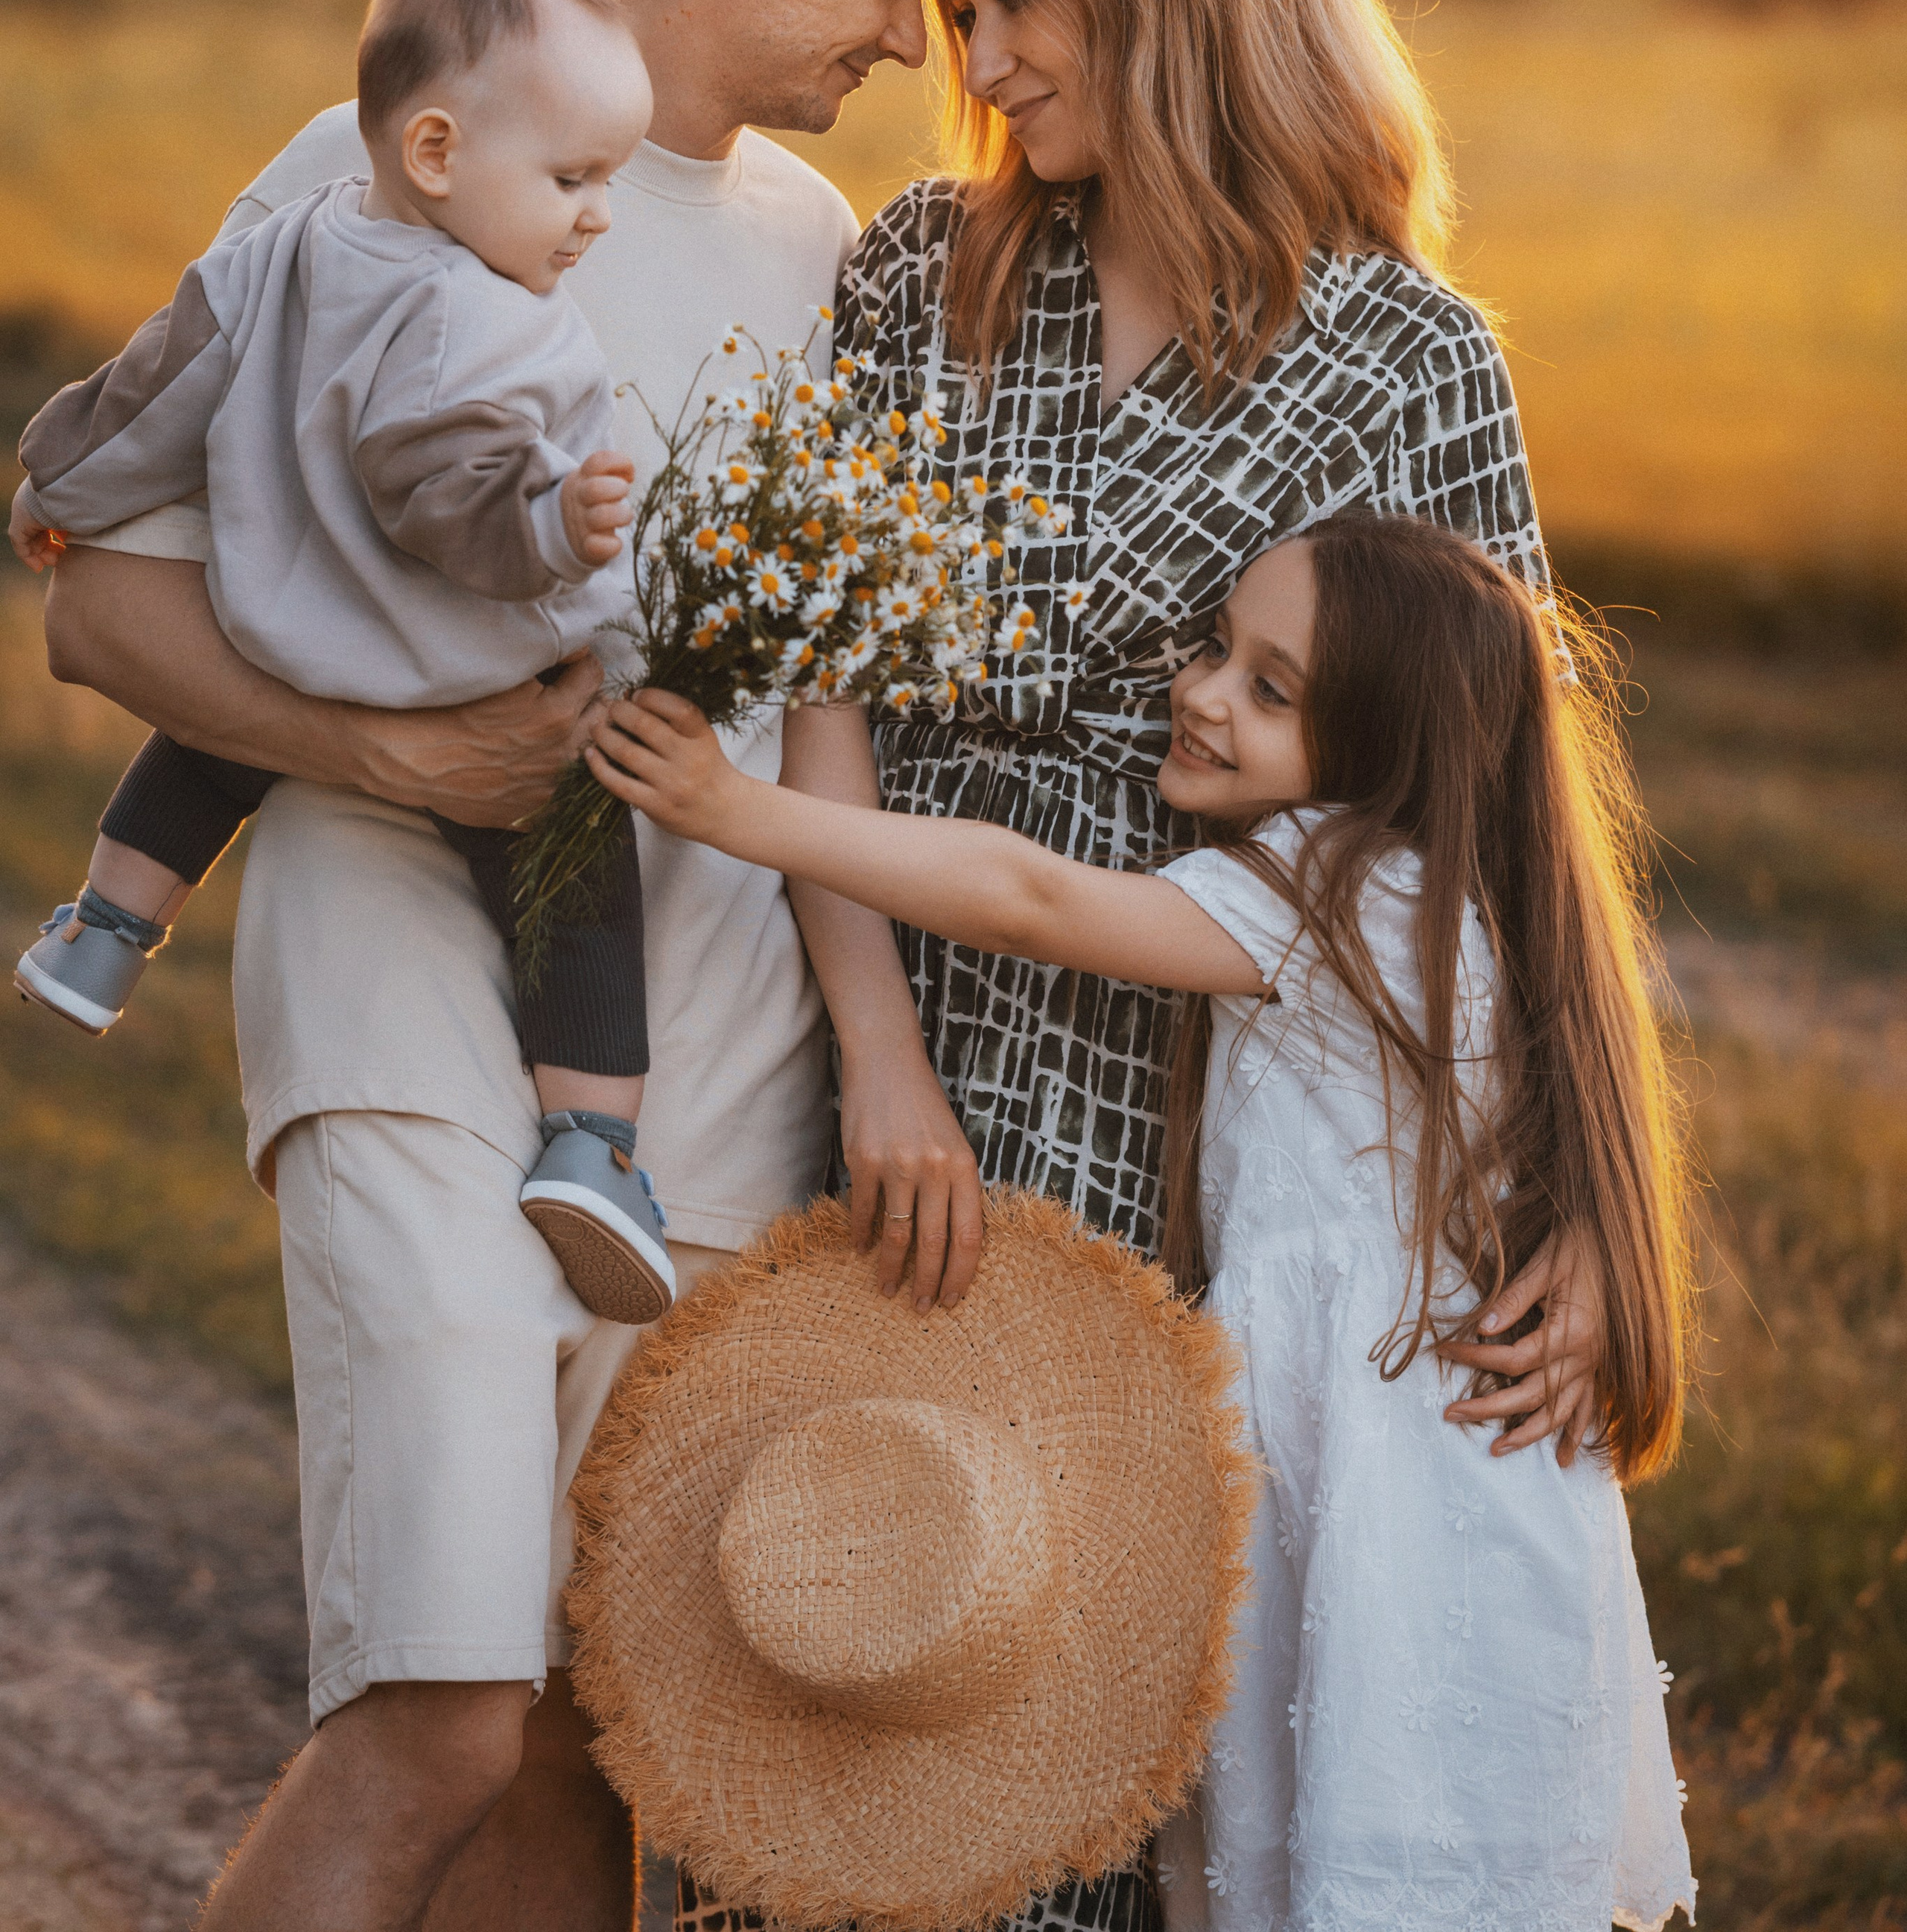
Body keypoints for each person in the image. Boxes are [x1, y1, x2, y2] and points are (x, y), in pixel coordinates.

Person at [37, 0, 985, 1932]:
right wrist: (395, 758)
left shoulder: (818, 244)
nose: (907, 39)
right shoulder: (393, 165)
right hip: (403, 1003)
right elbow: (95, 613)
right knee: (441, 1708)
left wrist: (878, 1052)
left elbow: (821, 687)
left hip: (708, 1058)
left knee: (588, 1720)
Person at [742, 0, 1614, 1932]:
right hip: (914, 1036)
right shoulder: (921, 273)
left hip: (1229, 1113)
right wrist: (876, 1046)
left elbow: (1505, 840)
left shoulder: (1413, 359)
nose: (986, 55)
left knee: (1154, 1754)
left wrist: (1587, 1218)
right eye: (960, 6)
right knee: (865, 1657)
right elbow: (822, 671)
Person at [586, 511, 1699, 1932]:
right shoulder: (1462, 907)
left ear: (1383, 745)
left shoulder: (1347, 892)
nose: (1204, 691)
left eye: (1270, 688)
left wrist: (737, 811)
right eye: (1220, 647)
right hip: (1426, 1483)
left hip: (1385, 1497)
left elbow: (1033, 896)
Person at [14, 0, 676, 1323]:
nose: (598, 216)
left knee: (207, 745)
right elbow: (442, 485)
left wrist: (54, 489)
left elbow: (155, 387)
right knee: (576, 873)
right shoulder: (489, 320)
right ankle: (593, 1141)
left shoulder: (288, 242)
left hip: (285, 630)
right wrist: (558, 529)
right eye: (573, 178)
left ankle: (104, 929)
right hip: (465, 670)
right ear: (436, 151)